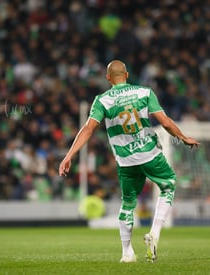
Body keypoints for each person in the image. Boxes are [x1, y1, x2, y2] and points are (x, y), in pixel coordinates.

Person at [58, 60, 200, 263]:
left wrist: (69, 155)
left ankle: (127, 253)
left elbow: (88, 129)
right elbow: (166, 123)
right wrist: (184, 137)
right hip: (150, 154)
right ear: (126, 75)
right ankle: (155, 234)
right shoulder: (145, 92)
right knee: (168, 185)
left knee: (128, 204)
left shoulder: (102, 100)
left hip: (125, 160)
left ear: (108, 78)